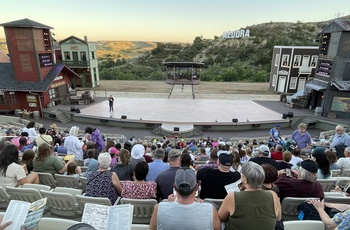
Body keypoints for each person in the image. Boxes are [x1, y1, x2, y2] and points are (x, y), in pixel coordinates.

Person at [150, 168, 221, 230]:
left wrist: (169, 204)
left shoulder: (159, 208)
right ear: (196, 187)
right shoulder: (210, 209)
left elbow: (152, 228)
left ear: (174, 187)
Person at [218, 162, 281, 230]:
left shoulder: (232, 197)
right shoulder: (273, 195)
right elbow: (278, 218)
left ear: (245, 180)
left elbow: (221, 217)